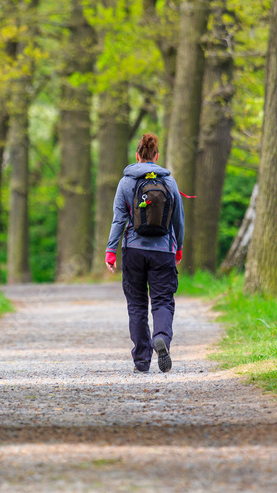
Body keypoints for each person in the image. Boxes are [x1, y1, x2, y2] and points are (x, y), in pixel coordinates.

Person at [104, 133, 185, 373]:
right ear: (156, 157)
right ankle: (161, 337)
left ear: (137, 155)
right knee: (162, 300)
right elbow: (179, 218)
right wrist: (178, 247)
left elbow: (119, 220)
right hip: (163, 251)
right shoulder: (169, 182)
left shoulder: (126, 182)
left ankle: (141, 360)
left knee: (137, 304)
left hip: (133, 250)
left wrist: (111, 250)